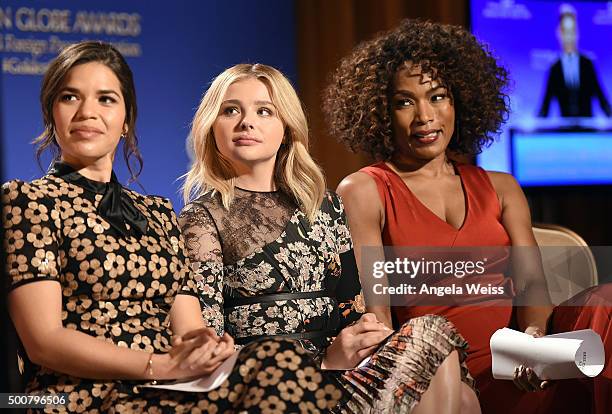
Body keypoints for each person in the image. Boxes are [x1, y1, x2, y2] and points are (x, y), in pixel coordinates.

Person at [2, 41, 341, 413]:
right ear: (51, 114)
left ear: (126, 118)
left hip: (163, 387)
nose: (87, 112)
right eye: (70, 97)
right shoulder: (28, 201)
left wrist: (207, 346)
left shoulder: (157, 213)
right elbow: (44, 341)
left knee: (280, 360)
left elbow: (189, 329)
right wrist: (158, 365)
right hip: (77, 394)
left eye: (106, 99)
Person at [324, 19, 612, 414]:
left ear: (460, 100)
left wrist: (535, 343)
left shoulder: (502, 187)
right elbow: (377, 313)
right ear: (380, 113)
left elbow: (531, 284)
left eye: (438, 97)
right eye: (403, 102)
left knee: (606, 302)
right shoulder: (364, 190)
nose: (425, 115)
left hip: (516, 370)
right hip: (433, 373)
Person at [178, 63, 481, 413]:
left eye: (264, 111)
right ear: (211, 125)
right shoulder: (201, 218)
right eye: (231, 110)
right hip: (272, 389)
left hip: (345, 373)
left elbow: (353, 310)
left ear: (286, 128)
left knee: (443, 358)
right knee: (454, 393)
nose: (247, 122)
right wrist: (324, 362)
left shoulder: (325, 204)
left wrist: (362, 336)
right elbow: (211, 349)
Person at [538, 3, 611, 117]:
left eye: (572, 32)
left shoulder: (587, 64)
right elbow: (545, 105)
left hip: (588, 130)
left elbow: (601, 98)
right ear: (559, 34)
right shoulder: (555, 68)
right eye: (566, 32)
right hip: (564, 131)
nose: (569, 37)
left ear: (577, 33)